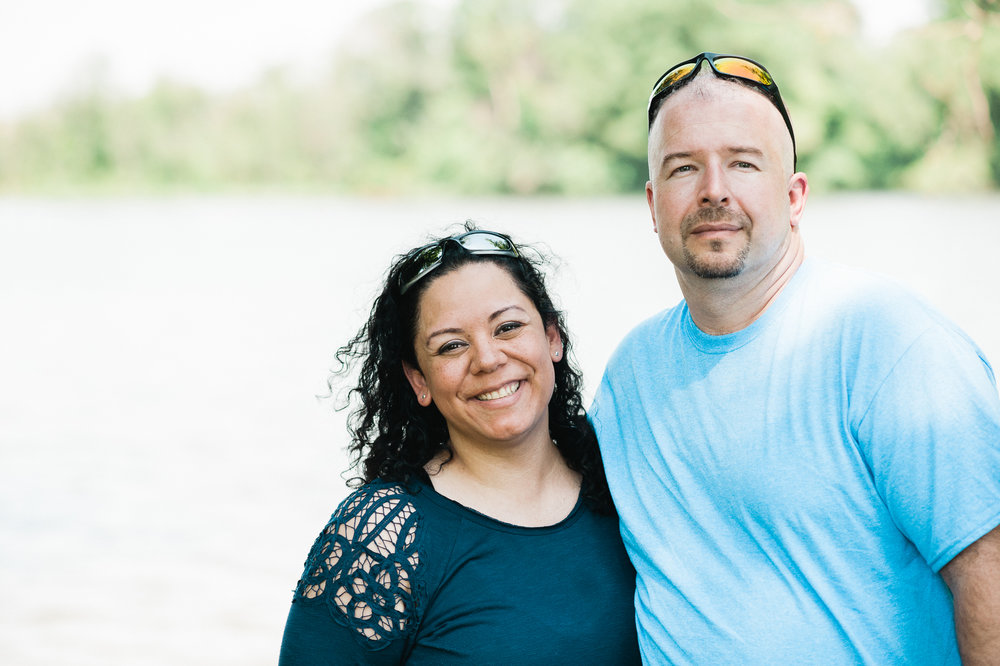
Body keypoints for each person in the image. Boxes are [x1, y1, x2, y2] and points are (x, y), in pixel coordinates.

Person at [591, 52, 1000, 664]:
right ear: (652, 204)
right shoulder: (631, 376)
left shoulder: (887, 343)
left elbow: (989, 574)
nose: (714, 190)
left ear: (795, 195)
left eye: (742, 163)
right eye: (683, 168)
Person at [279, 223, 641, 664]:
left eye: (508, 327)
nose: (488, 359)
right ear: (419, 381)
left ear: (552, 339)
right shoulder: (383, 537)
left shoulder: (627, 480)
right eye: (452, 345)